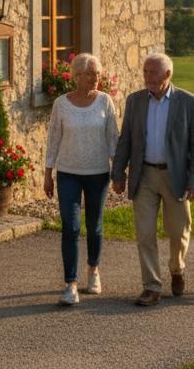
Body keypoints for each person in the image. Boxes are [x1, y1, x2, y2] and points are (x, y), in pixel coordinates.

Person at [111, 52, 194, 306]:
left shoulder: (189, 102)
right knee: (145, 234)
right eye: (145, 71)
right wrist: (118, 173)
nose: (147, 77)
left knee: (178, 231)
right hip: (143, 175)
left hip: (176, 177)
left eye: (152, 72)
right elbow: (126, 139)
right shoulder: (135, 101)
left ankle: (177, 269)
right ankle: (151, 286)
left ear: (168, 74)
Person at [43, 53, 119, 306]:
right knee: (71, 227)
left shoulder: (105, 101)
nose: (95, 78)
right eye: (89, 74)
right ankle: (71, 284)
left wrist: (119, 171)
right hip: (68, 173)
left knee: (94, 225)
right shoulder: (61, 104)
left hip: (98, 173)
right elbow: (53, 139)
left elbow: (113, 138)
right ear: (76, 76)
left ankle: (93, 270)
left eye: (97, 74)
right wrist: (48, 174)